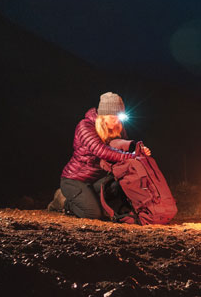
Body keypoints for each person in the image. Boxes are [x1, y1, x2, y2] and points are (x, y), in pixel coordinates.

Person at [49, 92, 152, 220]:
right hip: (75, 180)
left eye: (118, 116)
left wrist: (140, 151)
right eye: (112, 116)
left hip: (97, 180)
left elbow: (122, 148)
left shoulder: (117, 128)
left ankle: (93, 199)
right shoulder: (85, 126)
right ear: (103, 115)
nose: (116, 121)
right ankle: (63, 201)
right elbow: (102, 151)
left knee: (118, 187)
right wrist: (131, 156)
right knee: (92, 214)